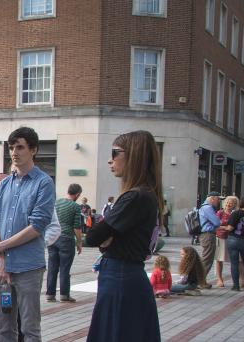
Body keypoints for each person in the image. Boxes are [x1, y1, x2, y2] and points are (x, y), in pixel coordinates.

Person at [83, 130, 162, 341]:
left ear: (133, 155)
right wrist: (106, 240)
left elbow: (93, 236)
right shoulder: (145, 194)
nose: (110, 159)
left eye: (115, 152)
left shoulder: (135, 196)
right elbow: (100, 237)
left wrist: (106, 239)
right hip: (125, 274)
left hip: (121, 277)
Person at [0, 127, 54, 342]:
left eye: (20, 147)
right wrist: (1, 258)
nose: (14, 152)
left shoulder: (44, 183)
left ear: (33, 150)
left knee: (30, 328)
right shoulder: (4, 184)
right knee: (4, 329)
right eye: (11, 147)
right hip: (3, 268)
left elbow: (37, 225)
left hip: (28, 268)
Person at [46, 183, 84, 303]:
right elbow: (77, 227)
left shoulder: (56, 203)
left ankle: (50, 294)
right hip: (66, 239)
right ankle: (64, 294)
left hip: (53, 238)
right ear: (77, 194)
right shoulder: (76, 207)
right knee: (65, 268)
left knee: (52, 267)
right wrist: (79, 242)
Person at [197, 192, 221, 289]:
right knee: (207, 259)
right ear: (212, 199)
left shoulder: (203, 207)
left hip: (205, 235)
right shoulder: (208, 208)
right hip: (208, 235)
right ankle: (200, 281)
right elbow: (216, 222)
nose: (219, 201)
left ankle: (201, 280)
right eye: (218, 199)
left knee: (206, 258)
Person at [213, 196, 238, 287]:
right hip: (221, 237)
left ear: (235, 204)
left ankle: (236, 279)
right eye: (227, 202)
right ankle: (219, 279)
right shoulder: (220, 212)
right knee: (219, 259)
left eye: (231, 203)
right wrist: (225, 227)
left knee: (234, 260)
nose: (228, 204)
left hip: (233, 238)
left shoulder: (235, 213)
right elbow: (215, 225)